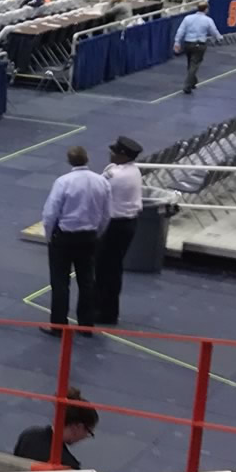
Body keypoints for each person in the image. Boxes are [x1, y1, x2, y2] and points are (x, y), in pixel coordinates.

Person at [42, 145, 111, 333]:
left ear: (69, 161)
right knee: (87, 280)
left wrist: (49, 236)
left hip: (64, 237)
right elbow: (106, 213)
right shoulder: (101, 182)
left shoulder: (63, 182)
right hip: (89, 237)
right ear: (87, 158)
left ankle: (58, 325)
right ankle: (86, 324)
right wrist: (97, 233)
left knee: (60, 282)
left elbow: (50, 213)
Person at [94, 135, 143, 328]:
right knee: (111, 268)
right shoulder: (133, 171)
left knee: (106, 269)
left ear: (123, 155)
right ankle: (102, 307)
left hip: (115, 225)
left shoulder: (118, 176)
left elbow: (98, 191)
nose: (110, 153)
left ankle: (105, 312)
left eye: (114, 151)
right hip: (127, 223)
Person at [12, 392, 101, 469]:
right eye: (88, 432)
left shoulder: (28, 436)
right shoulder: (68, 465)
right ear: (78, 427)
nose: (85, 437)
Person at [173, 2, 220, 93]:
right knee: (194, 65)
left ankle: (193, 81)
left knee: (190, 64)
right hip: (200, 45)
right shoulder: (208, 20)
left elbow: (181, 30)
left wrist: (177, 42)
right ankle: (187, 86)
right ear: (206, 9)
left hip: (188, 43)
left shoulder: (188, 18)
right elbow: (214, 31)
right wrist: (219, 38)